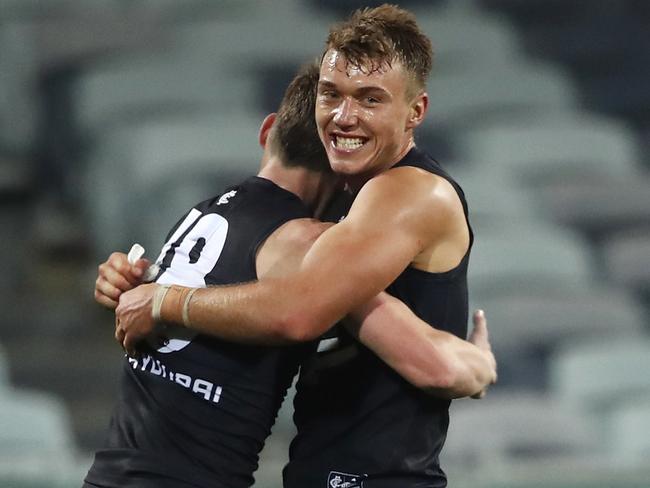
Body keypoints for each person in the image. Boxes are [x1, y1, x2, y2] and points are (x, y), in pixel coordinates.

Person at [115, 5, 483, 487]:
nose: (345, 116)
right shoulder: (336, 217)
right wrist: (134, 285)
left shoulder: (406, 192)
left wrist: (162, 298)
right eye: (332, 94)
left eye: (370, 99)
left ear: (416, 111)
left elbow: (299, 311)